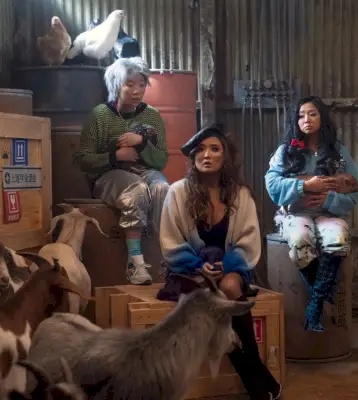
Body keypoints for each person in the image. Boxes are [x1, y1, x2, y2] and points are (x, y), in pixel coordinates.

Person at [159, 123, 282, 400]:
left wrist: (226, 265)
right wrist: (195, 264)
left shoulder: (241, 195)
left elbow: (248, 242)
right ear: (192, 158)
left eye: (215, 149)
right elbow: (170, 240)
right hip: (188, 269)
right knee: (207, 295)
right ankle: (258, 378)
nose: (207, 155)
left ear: (225, 156)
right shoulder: (177, 192)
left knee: (228, 286)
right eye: (200, 150)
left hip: (230, 268)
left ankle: (253, 373)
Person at [265, 96, 358, 332]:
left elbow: (353, 191)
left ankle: (315, 305)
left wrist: (330, 198)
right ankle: (324, 299)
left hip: (328, 212)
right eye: (301, 115)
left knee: (337, 239)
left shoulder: (338, 153)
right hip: (296, 213)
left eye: (312, 114)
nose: (306, 119)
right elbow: (272, 186)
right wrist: (305, 186)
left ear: (322, 118)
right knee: (300, 240)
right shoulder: (285, 152)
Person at [73, 57, 169, 286]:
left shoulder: (152, 116)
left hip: (144, 170)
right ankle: (134, 263)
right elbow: (83, 160)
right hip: (109, 174)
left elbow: (162, 159)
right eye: (130, 84)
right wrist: (115, 156)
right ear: (116, 85)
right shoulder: (100, 115)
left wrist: (142, 143)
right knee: (137, 189)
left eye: (142, 84)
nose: (137, 91)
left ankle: (164, 257)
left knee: (163, 188)